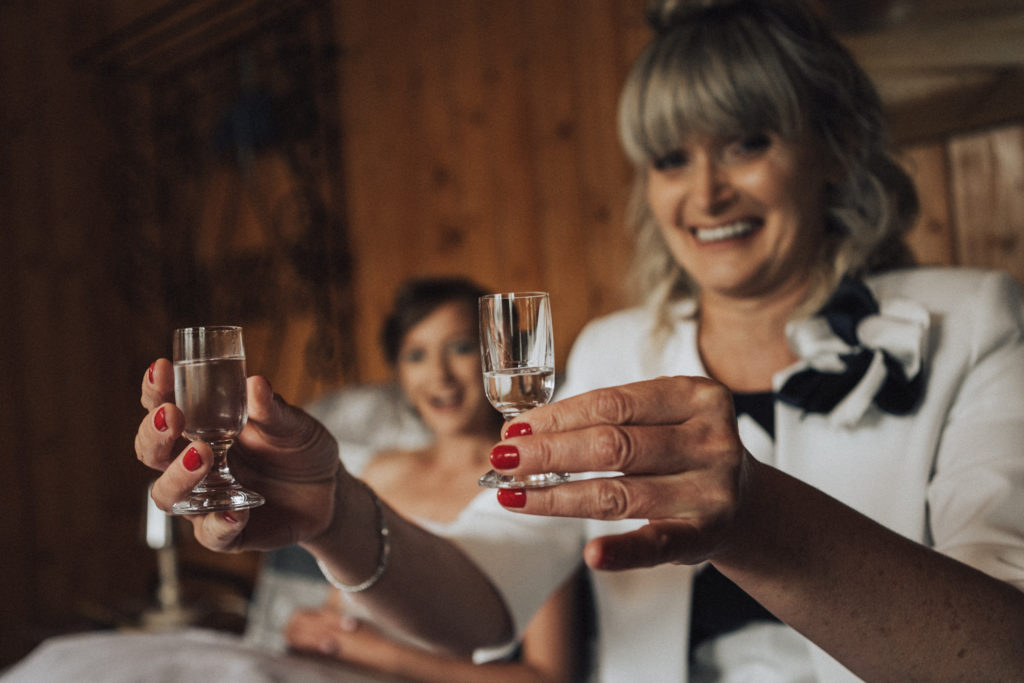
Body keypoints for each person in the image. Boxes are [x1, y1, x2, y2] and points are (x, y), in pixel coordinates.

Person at [136, 1, 1024, 680]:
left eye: (747, 143)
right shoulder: (613, 350)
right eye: (672, 159)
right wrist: (336, 510)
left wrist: (756, 517)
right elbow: (485, 595)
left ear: (832, 150)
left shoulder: (975, 322)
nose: (705, 194)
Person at [281, 277, 587, 682]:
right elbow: (340, 620)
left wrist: (379, 654)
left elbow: (547, 676)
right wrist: (309, 629)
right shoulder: (378, 472)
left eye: (461, 348)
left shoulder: (531, 484)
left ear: (502, 359)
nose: (439, 376)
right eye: (416, 355)